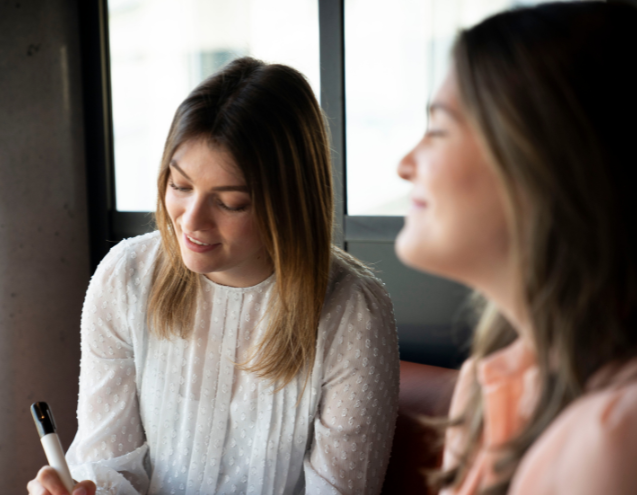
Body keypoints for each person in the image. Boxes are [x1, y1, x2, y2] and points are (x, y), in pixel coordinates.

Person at [27, 57, 400, 495]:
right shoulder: (126, 277)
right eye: (180, 186)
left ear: (289, 204)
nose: (192, 221)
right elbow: (109, 463)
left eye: (230, 202)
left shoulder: (353, 312)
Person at [395, 2, 637, 494]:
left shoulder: (631, 428)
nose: (405, 164)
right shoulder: (487, 382)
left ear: (542, 163)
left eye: (437, 129)